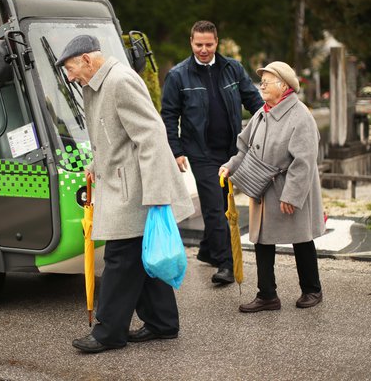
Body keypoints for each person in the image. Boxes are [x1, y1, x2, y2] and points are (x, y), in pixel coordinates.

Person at [55, 35, 194, 353]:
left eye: (72, 68)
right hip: (125, 184)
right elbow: (115, 136)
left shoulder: (119, 81)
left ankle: (108, 333)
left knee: (119, 259)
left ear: (88, 60)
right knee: (141, 258)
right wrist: (95, 163)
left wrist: (158, 194)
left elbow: (151, 134)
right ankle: (163, 323)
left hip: (136, 190)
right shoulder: (98, 84)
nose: (70, 76)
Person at [161, 20, 263, 285]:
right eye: (198, 45)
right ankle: (226, 264)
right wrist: (176, 150)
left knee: (221, 200)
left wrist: (272, 120)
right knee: (216, 208)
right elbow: (169, 115)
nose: (203, 49)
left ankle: (207, 250)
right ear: (191, 43)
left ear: (217, 42)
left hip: (231, 150)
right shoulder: (178, 75)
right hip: (200, 152)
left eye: (208, 44)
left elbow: (253, 100)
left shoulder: (233, 68)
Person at [219, 61, 325, 312]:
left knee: (301, 238)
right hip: (263, 188)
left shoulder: (301, 115)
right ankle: (267, 295)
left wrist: (292, 195)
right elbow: (244, 148)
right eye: (262, 81)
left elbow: (304, 161)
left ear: (285, 86)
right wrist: (230, 166)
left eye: (267, 81)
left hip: (289, 187)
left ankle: (312, 289)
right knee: (262, 240)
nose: (262, 86)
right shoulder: (262, 112)